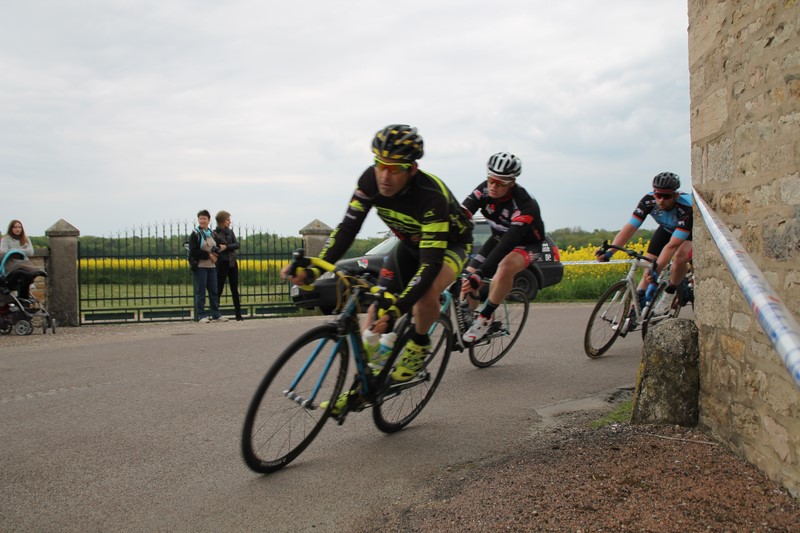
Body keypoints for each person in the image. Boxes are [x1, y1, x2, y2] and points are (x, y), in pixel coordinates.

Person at [282, 124, 473, 404]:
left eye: (394, 168)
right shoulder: (369, 181)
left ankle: (420, 344)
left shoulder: (430, 196)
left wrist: (398, 310)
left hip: (449, 246)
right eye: (380, 164)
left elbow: (430, 264)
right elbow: (348, 228)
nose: (385, 175)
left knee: (425, 294)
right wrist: (315, 268)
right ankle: (365, 383)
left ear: (412, 169)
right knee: (376, 307)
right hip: (408, 245)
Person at [460, 152, 547, 343]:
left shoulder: (525, 205)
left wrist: (481, 274)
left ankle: (485, 317)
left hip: (526, 243)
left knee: (505, 267)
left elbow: (508, 243)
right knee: (467, 278)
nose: (493, 186)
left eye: (500, 183)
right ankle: (469, 315)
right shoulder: (484, 190)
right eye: (491, 179)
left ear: (512, 183)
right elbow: (461, 215)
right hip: (497, 238)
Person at [595, 172, 693, 316]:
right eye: (658, 195)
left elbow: (672, 245)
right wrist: (610, 252)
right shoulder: (648, 201)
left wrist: (657, 269)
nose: (661, 200)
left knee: (679, 257)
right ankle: (634, 312)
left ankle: (669, 294)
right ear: (654, 193)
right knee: (648, 265)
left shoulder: (685, 207)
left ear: (675, 196)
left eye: (666, 196)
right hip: (667, 229)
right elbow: (630, 228)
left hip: (690, 232)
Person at [188, 210, 228, 323]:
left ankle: (216, 314)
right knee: (201, 292)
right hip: (200, 266)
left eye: (204, 218)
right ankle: (201, 315)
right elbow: (193, 250)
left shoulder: (212, 234)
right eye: (200, 218)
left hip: (212, 267)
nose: (202, 221)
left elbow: (217, 247)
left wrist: (216, 254)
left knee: (214, 291)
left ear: (209, 220)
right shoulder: (195, 234)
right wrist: (208, 255)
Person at [213, 210, 243, 321]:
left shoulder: (230, 232)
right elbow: (216, 247)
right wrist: (226, 247)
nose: (230, 222)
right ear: (222, 221)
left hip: (232, 262)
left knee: (234, 289)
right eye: (228, 220)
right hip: (222, 262)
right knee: (219, 288)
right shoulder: (215, 233)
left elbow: (237, 244)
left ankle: (238, 314)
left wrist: (226, 247)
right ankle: (216, 313)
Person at [1, 220, 36, 301]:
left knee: (27, 268)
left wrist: (15, 250)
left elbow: (30, 252)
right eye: (15, 227)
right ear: (11, 228)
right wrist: (21, 250)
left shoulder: (25, 239)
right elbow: (4, 252)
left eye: (19, 227)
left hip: (23, 261)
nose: (18, 229)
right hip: (11, 263)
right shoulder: (6, 239)